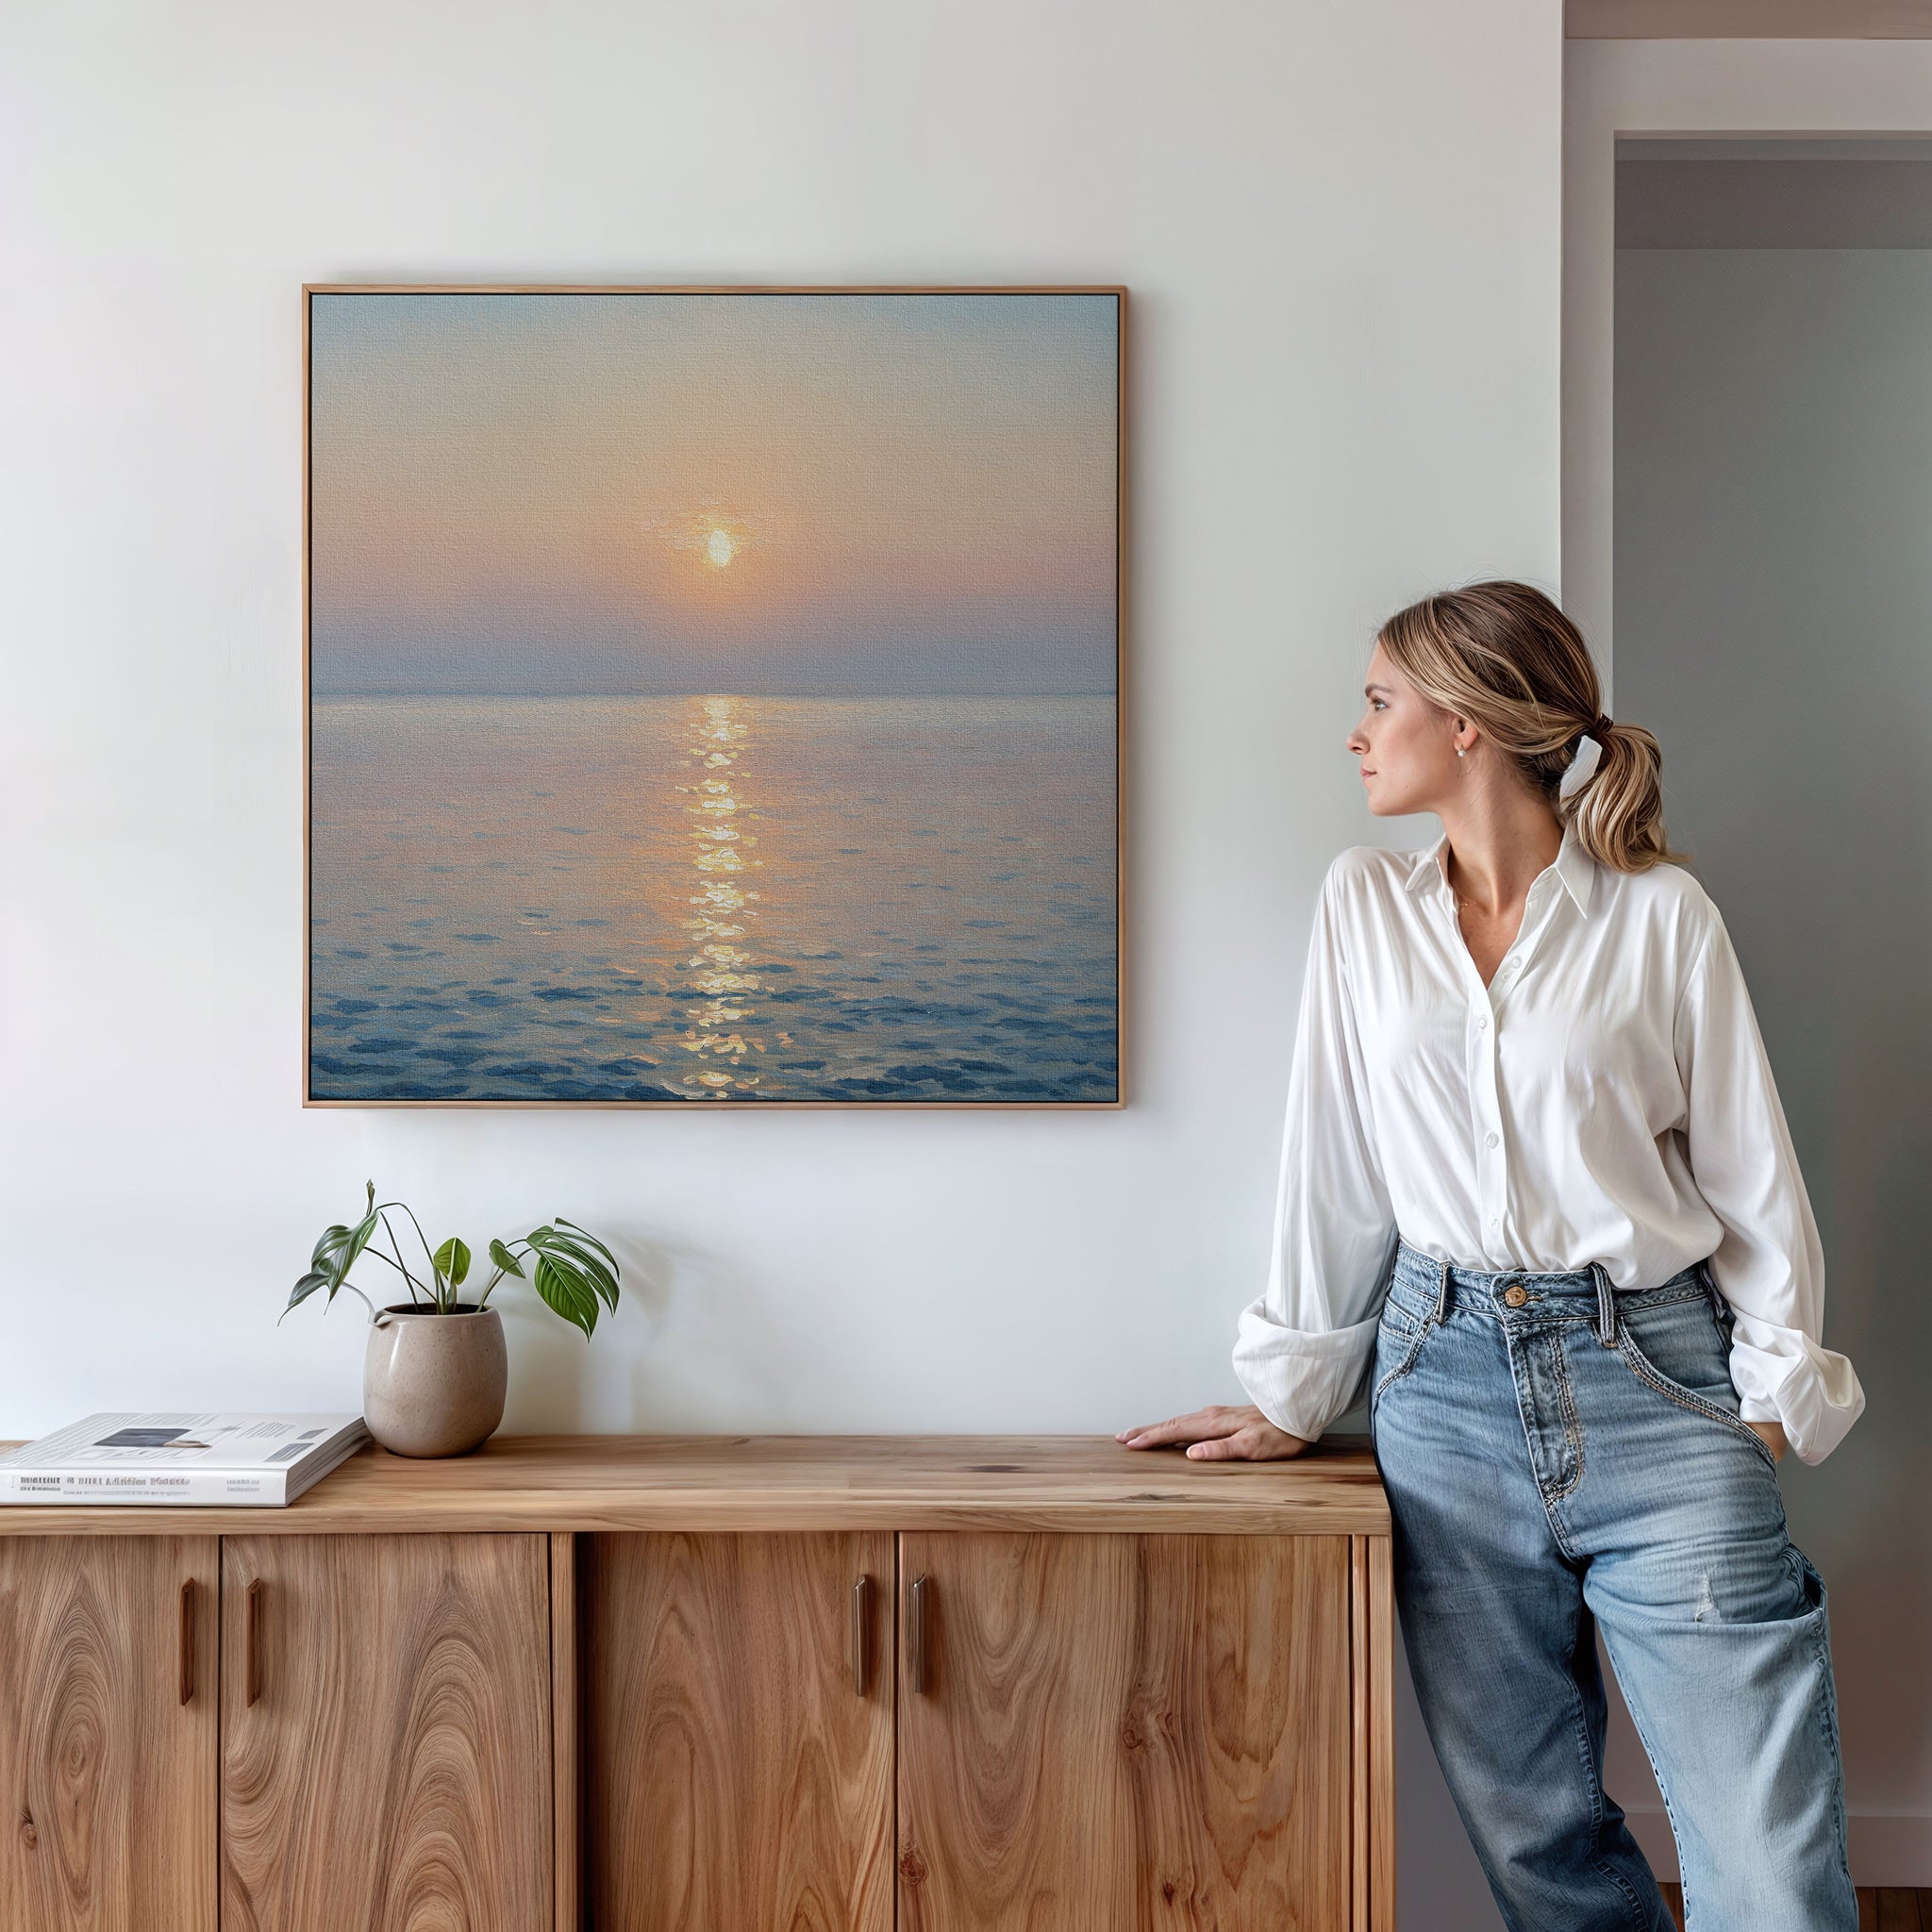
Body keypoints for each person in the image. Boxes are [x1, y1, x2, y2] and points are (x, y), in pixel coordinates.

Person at [1117, 581, 1865, 1931]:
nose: (1356, 733)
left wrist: (1767, 1395)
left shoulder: (1660, 917)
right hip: (1441, 1389)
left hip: (1659, 1378)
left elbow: (1753, 1172)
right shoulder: (1362, 909)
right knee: (1540, 1849)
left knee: (1768, 1864)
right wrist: (1297, 1390)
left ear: (1466, 725)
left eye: (1378, 700)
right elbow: (1331, 1162)